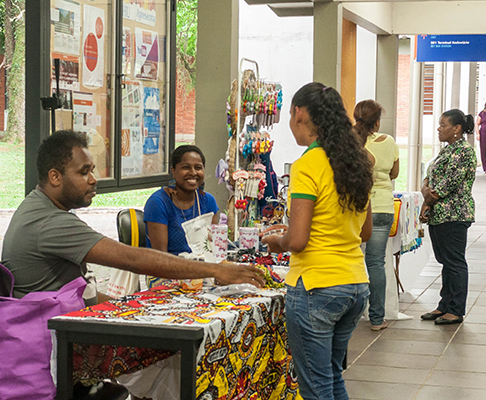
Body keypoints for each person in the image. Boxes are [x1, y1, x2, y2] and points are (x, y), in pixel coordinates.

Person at [1, 131, 264, 305]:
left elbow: (86, 293)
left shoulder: (39, 208)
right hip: (54, 340)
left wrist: (131, 305)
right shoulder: (50, 223)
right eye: (84, 172)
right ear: (55, 176)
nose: (94, 180)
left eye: (92, 170)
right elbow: (133, 258)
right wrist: (217, 270)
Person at [262, 83, 373, 400]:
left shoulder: (308, 164)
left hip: (316, 287)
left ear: (298, 113)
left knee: (316, 387)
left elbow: (297, 239)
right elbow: (364, 232)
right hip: (355, 284)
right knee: (332, 379)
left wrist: (276, 240)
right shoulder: (356, 161)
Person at [420, 109, 476, 325]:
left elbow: (446, 185)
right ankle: (444, 305)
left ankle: (455, 309)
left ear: (457, 129)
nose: (438, 128)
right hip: (440, 215)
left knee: (454, 262)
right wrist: (425, 190)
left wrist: (427, 197)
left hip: (454, 214)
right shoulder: (447, 151)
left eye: (443, 125)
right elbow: (428, 176)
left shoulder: (463, 152)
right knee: (445, 261)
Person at [353, 100, 400, 331]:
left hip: (356, 207)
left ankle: (349, 314)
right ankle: (377, 318)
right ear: (377, 122)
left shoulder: (351, 143)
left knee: (351, 258)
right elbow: (394, 172)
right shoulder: (389, 141)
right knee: (376, 262)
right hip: (382, 207)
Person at [143, 145, 218, 288]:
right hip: (165, 273)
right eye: (186, 167)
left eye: (198, 167)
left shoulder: (208, 201)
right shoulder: (158, 203)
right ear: (173, 170)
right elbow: (161, 259)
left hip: (203, 270)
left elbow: (214, 246)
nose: (193, 173)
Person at [475, 102, 486, 173]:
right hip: (484, 134)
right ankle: (485, 167)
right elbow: (477, 124)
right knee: (484, 150)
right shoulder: (482, 114)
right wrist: (477, 134)